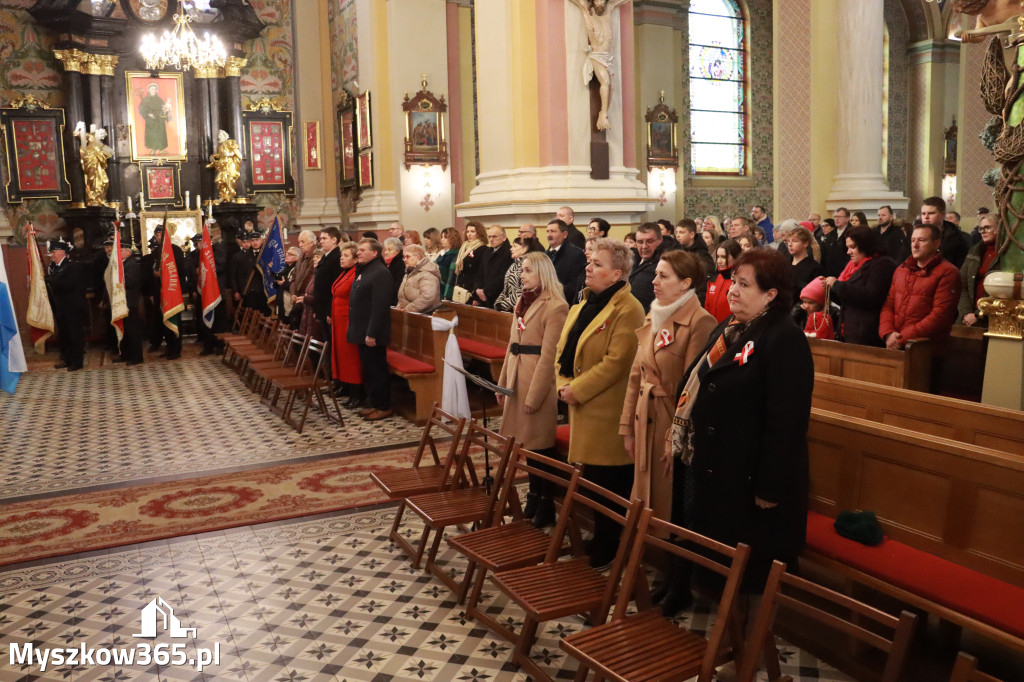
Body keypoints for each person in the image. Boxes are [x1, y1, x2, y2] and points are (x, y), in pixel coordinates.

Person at [671, 247, 813, 596]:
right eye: (734, 281)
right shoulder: (731, 327)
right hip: (718, 466)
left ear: (771, 294)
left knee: (748, 571)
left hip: (749, 479)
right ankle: (714, 613)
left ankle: (743, 636)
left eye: (744, 284)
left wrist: (769, 486)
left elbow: (787, 422)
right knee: (716, 558)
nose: (732, 290)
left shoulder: (784, 338)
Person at [619, 251, 717, 615]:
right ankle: (665, 575)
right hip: (646, 418)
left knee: (675, 504)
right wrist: (627, 426)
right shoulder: (654, 313)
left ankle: (681, 582)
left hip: (671, 425)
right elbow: (635, 375)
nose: (654, 281)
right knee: (653, 502)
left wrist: (672, 437)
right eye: (656, 275)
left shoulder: (700, 322)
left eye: (663, 276)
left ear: (686, 283)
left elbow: (692, 390)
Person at [556, 238, 646, 569]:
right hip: (582, 406)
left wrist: (576, 390)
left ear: (617, 274)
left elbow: (617, 362)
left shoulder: (629, 309)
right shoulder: (583, 304)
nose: (588, 268)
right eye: (589, 262)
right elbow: (561, 350)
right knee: (592, 481)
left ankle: (612, 544)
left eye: (597, 264)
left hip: (607, 410)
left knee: (610, 483)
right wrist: (563, 384)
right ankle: (600, 536)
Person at [496, 252, 570, 528]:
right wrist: (503, 384)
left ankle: (545, 501)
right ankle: (533, 495)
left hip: (536, 382)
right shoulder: (522, 300)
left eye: (527, 270)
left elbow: (550, 356)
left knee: (541, 447)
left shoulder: (556, 306)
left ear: (542, 273)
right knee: (525, 445)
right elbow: (511, 344)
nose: (522, 275)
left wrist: (535, 396)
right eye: (521, 270)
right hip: (517, 376)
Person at [879, 223, 961, 356]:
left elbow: (940, 316)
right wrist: (887, 333)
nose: (915, 245)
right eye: (912, 240)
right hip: (895, 344)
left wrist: (901, 339)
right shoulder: (901, 270)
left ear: (937, 243)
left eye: (921, 240)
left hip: (926, 349)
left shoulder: (948, 272)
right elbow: (889, 305)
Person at [822, 226, 896, 346]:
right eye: (848, 247)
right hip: (851, 331)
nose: (848, 252)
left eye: (853, 247)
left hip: (867, 334)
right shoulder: (854, 265)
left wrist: (838, 285)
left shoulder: (883, 264)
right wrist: (830, 289)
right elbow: (847, 300)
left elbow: (871, 296)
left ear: (865, 245)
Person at [349, 239, 394, 421]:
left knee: (377, 370)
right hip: (362, 329)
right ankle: (373, 403)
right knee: (368, 369)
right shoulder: (366, 270)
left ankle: (383, 406)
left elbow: (379, 307)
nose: (358, 253)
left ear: (374, 253)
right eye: (358, 250)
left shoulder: (381, 273)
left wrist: (372, 333)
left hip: (372, 332)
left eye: (362, 250)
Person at [330, 242, 363, 408]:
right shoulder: (345, 273)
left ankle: (356, 394)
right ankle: (345, 386)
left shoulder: (356, 274)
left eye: (346, 256)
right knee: (340, 355)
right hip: (338, 320)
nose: (341, 258)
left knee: (351, 357)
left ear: (356, 259)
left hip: (348, 321)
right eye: (341, 255)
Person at [45, 238, 86, 371]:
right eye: (51, 252)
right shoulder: (57, 267)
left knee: (74, 335)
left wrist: (51, 281)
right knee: (65, 335)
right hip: (61, 307)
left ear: (62, 252)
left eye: (54, 252)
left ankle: (77, 362)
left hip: (73, 307)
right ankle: (67, 359)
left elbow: (69, 285)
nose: (52, 255)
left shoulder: (72, 266)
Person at [958, 212, 1000, 328]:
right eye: (981, 228)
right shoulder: (974, 252)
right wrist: (966, 313)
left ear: (999, 229)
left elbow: (1001, 292)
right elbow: (962, 284)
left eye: (987, 227)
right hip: (968, 315)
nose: (982, 231)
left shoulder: (1005, 255)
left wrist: (978, 315)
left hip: (993, 317)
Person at [152, 225, 186, 360]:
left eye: (160, 235)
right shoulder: (156, 251)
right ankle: (169, 347)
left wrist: (165, 274)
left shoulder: (176, 250)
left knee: (175, 320)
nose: (158, 237)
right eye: (157, 235)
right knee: (164, 321)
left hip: (173, 291)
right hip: (160, 291)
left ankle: (176, 349)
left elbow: (181, 270)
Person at [494, 236, 543, 313]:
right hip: (508, 309)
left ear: (524, 249)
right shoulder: (514, 265)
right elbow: (506, 289)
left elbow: (523, 291)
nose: (511, 249)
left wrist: (503, 304)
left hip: (520, 309)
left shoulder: (527, 266)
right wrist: (498, 303)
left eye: (515, 246)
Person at [628, 222, 668, 313]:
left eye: (649, 241)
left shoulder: (667, 263)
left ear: (660, 240)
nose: (644, 246)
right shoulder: (632, 260)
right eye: (640, 242)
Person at [920, 196, 970, 269]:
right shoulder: (914, 237)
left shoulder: (958, 239)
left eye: (931, 213)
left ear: (943, 214)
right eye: (923, 214)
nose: (926, 217)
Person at [546, 218, 587, 303]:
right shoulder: (545, 255)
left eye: (553, 231)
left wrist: (554, 295)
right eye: (547, 231)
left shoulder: (576, 254)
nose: (549, 235)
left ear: (564, 234)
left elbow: (575, 284)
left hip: (563, 302)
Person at [117, 238, 144, 365]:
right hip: (121, 302)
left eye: (121, 250)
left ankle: (137, 356)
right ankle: (125, 354)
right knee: (124, 330)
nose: (119, 252)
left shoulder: (132, 264)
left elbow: (130, 282)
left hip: (130, 302)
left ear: (128, 252)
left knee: (133, 330)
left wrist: (117, 279)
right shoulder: (121, 264)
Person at [673, 219, 713, 304]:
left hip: (693, 302)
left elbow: (703, 286)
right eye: (677, 232)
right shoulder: (679, 251)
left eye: (681, 232)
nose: (677, 235)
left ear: (691, 234)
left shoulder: (702, 256)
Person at [314, 228, 343, 346]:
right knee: (326, 341)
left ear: (334, 240)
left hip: (329, 309)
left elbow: (335, 288)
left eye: (324, 238)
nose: (321, 241)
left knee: (332, 343)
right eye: (321, 238)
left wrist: (330, 312)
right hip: (322, 307)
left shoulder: (337, 258)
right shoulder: (326, 257)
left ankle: (332, 365)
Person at [396, 244, 441, 313]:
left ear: (417, 257)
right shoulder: (410, 271)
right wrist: (399, 306)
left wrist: (408, 309)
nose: (404, 260)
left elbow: (428, 297)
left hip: (425, 315)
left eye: (407, 256)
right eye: (404, 257)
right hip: (409, 314)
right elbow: (403, 294)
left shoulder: (427, 274)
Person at [475, 226, 513, 308]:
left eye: (494, 236)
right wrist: (477, 289)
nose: (491, 239)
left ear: (504, 238)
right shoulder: (487, 252)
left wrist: (486, 291)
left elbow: (503, 277)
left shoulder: (509, 253)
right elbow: (480, 273)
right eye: (489, 237)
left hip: (497, 298)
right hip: (483, 297)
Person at [705, 239, 741, 324]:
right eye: (718, 257)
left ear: (736, 257)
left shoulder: (741, 282)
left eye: (723, 257)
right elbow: (707, 307)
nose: (719, 261)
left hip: (731, 329)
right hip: (713, 329)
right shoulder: (713, 280)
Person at [788, 226, 821, 309]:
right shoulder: (785, 263)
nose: (790, 244)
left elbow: (814, 295)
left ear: (805, 244)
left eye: (795, 241)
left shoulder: (814, 267)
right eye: (789, 241)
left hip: (801, 310)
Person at [453, 221, 485, 303]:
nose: (469, 234)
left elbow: (481, 274)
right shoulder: (464, 247)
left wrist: (476, 297)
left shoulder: (482, 249)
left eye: (472, 231)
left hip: (472, 289)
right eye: (467, 231)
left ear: (479, 232)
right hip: (461, 287)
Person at [298, 249, 325, 340]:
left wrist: (305, 298)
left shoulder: (322, 276)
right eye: (314, 257)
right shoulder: (314, 274)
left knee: (313, 345)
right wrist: (303, 297)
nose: (314, 259)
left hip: (315, 318)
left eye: (317, 257)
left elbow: (321, 298)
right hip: (307, 315)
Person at [139, 82, 169, 155]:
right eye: (152, 89)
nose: (154, 90)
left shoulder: (159, 99)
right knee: (153, 134)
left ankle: (161, 149)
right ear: (149, 90)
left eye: (155, 89)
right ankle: (153, 149)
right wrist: (148, 114)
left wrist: (165, 110)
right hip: (151, 120)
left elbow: (163, 108)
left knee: (161, 134)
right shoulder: (145, 100)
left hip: (159, 120)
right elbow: (142, 110)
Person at [823, 208, 851, 277]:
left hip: (844, 272)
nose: (836, 219)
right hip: (830, 273)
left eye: (839, 217)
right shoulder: (831, 234)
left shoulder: (852, 233)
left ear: (847, 219)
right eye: (835, 217)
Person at [436, 227, 461, 300]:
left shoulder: (455, 255)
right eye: (442, 237)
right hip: (438, 290)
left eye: (445, 237)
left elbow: (451, 277)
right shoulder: (441, 254)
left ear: (453, 239)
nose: (442, 240)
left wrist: (447, 295)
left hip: (447, 292)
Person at [382, 237, 405, 305]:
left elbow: (397, 286)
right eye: (386, 250)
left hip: (394, 301)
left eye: (389, 250)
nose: (386, 253)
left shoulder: (400, 264)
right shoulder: (388, 263)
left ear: (397, 251)